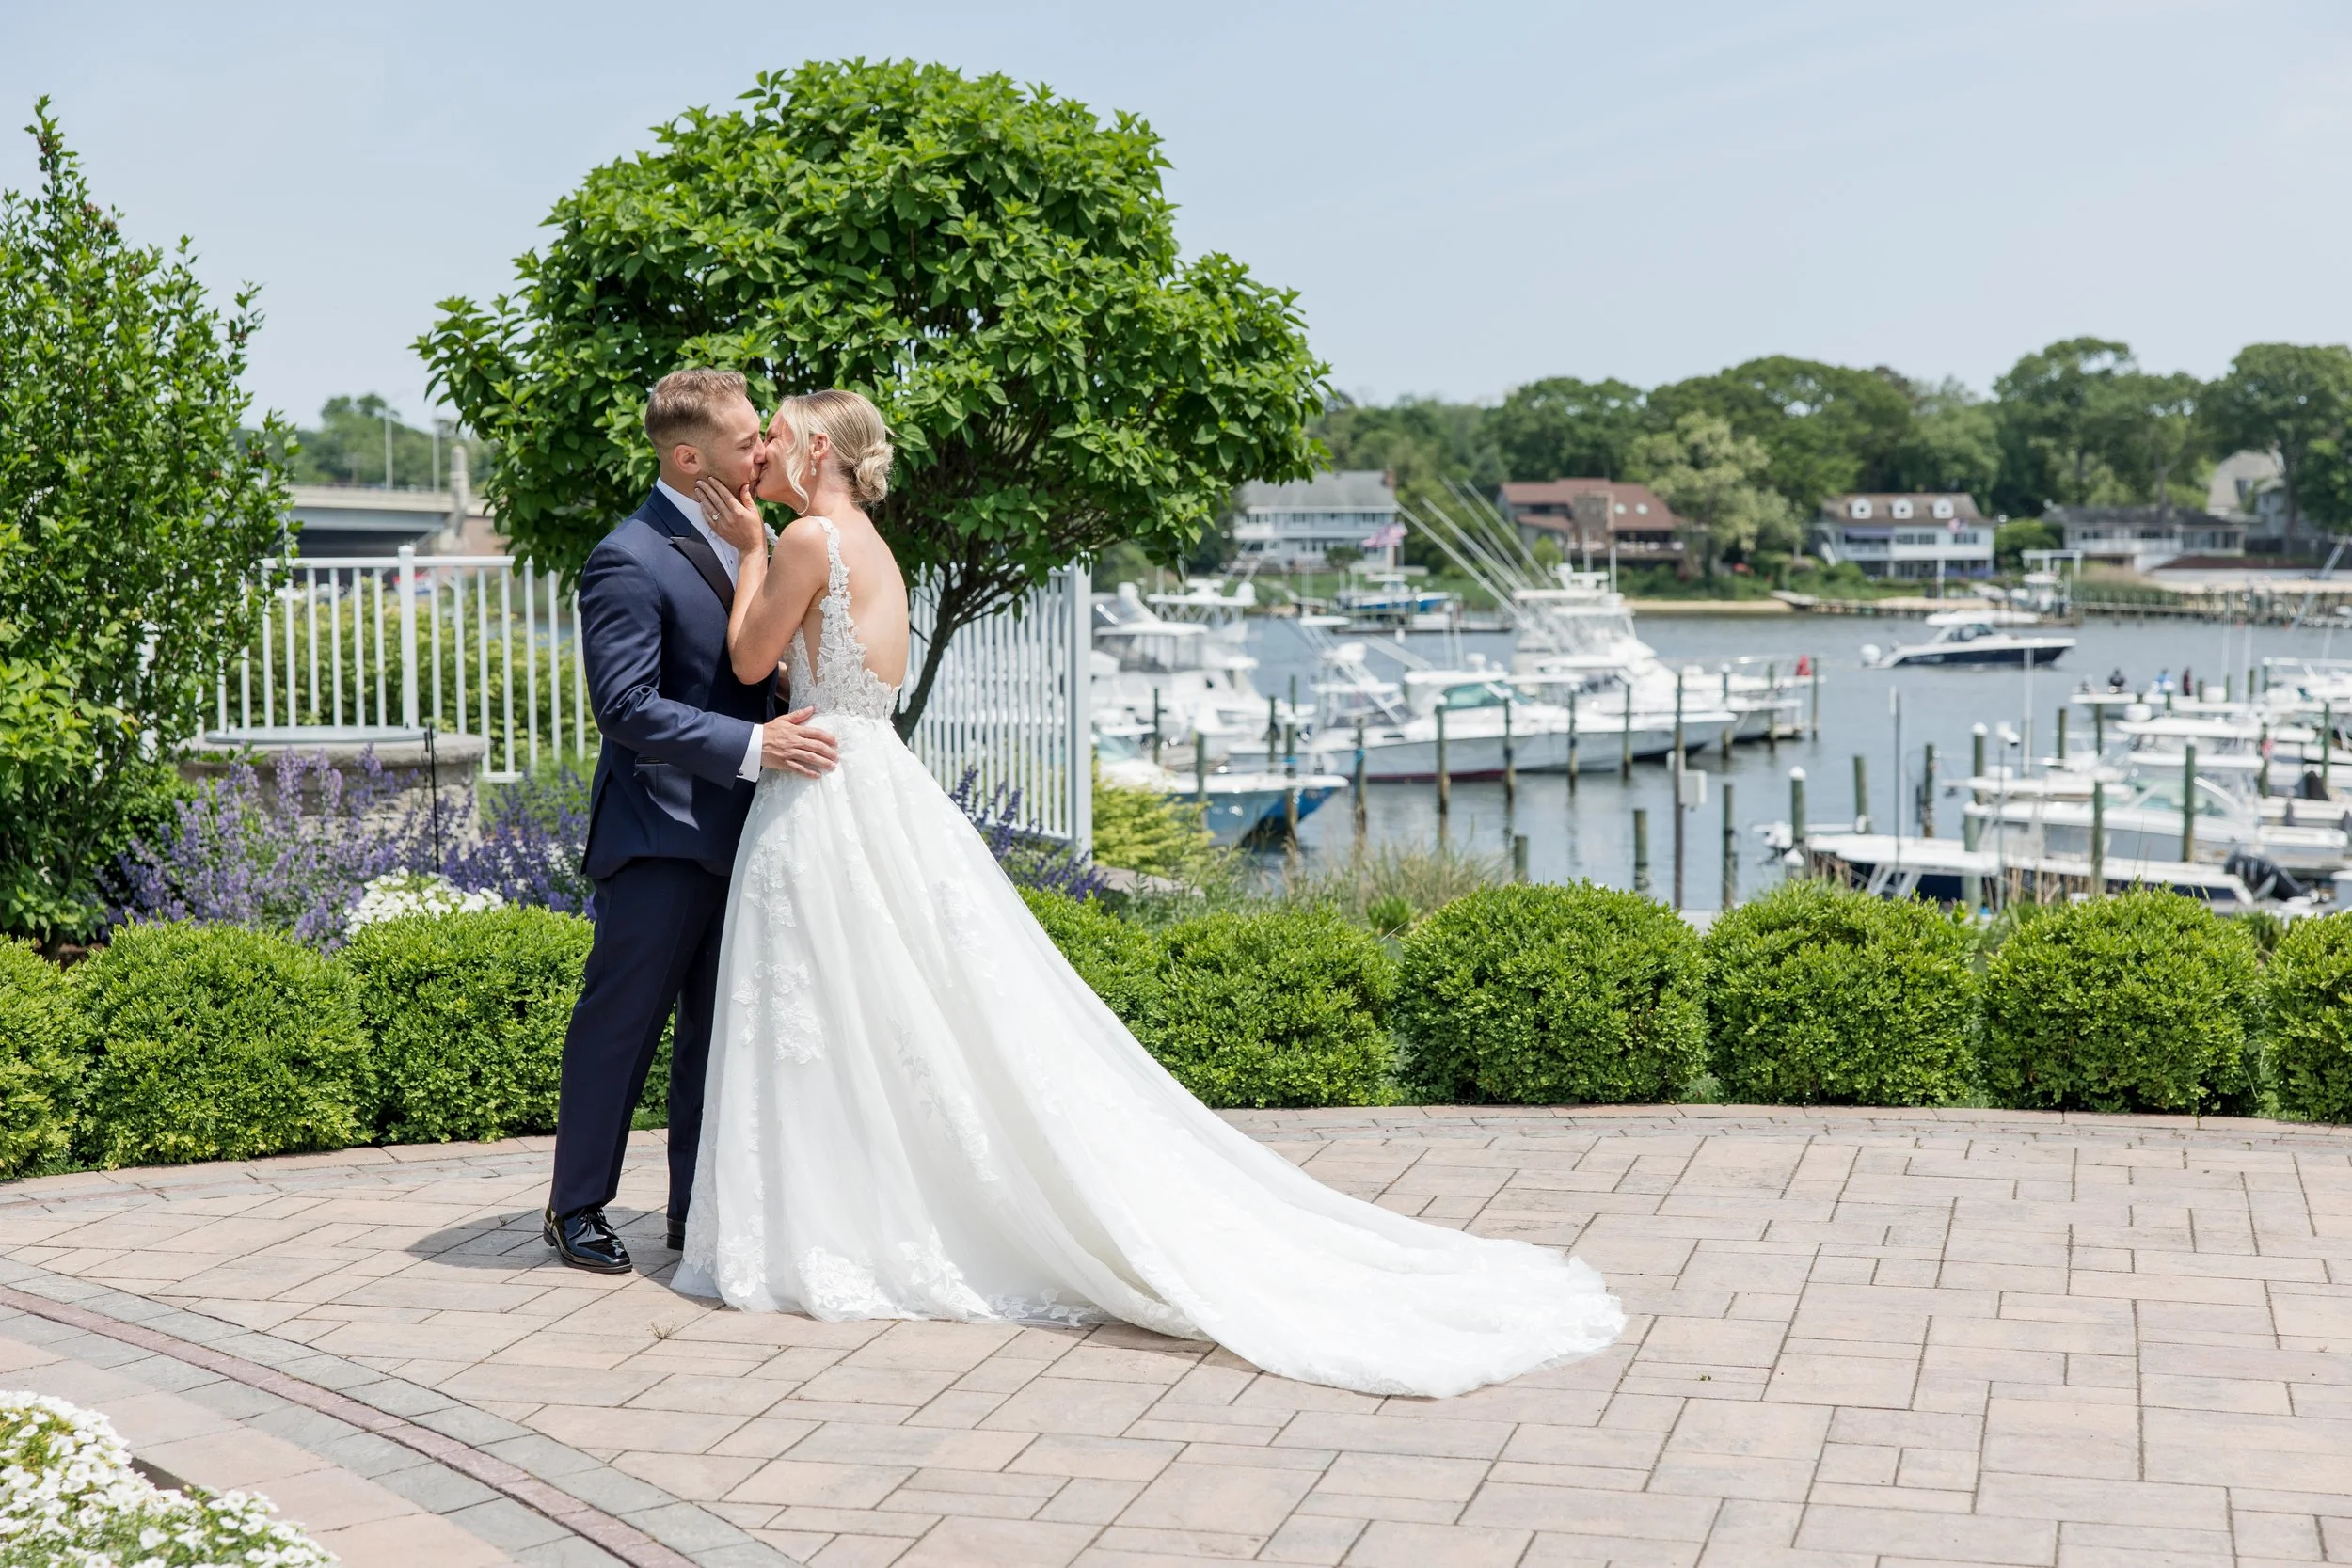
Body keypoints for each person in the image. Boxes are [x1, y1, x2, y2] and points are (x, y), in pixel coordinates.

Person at [673, 388, 1624, 1397]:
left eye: (774, 433)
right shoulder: (870, 541)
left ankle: (835, 1221)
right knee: (877, 1006)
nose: (761, 450)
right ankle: (851, 1210)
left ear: (817, 446)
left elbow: (747, 659)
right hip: (872, 778)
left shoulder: (808, 538)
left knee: (838, 1005)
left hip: (823, 793)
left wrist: (747, 556)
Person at [542, 370, 841, 1275]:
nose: (763, 450)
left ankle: (690, 1207)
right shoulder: (626, 556)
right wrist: (756, 745)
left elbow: (743, 665)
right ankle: (576, 1206)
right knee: (621, 1024)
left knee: (718, 1034)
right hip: (660, 833)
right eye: (749, 439)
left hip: (748, 829)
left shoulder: (757, 534)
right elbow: (626, 706)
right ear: (687, 455)